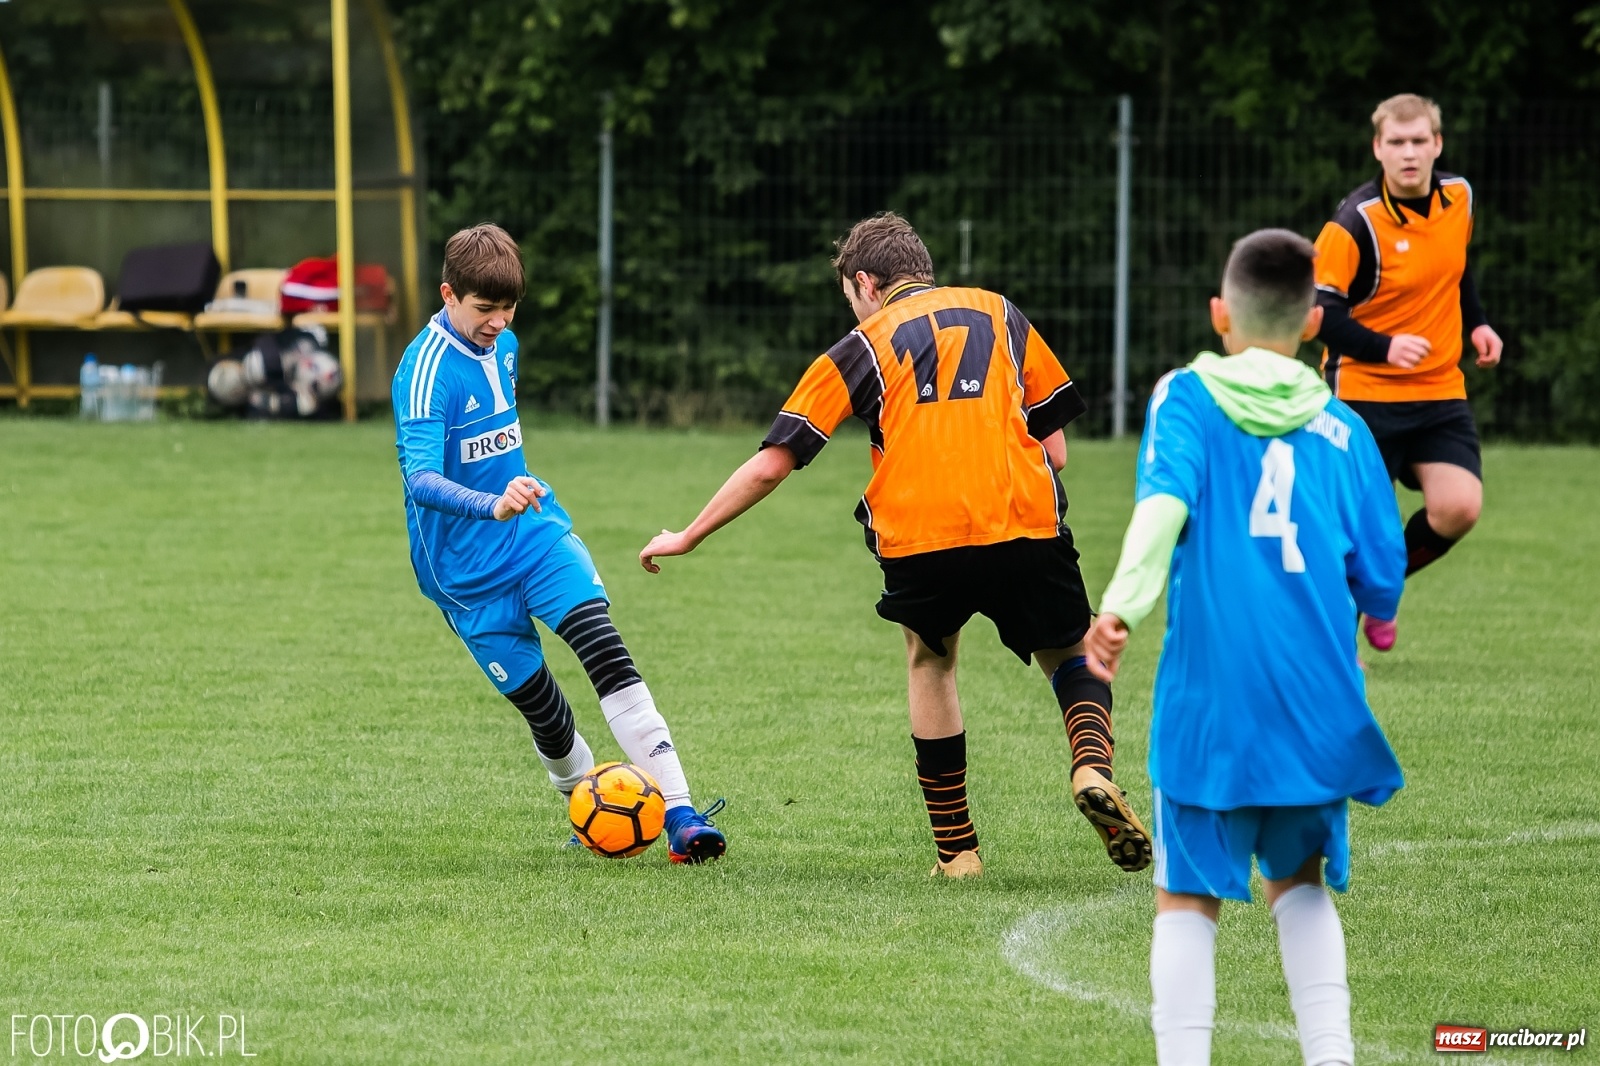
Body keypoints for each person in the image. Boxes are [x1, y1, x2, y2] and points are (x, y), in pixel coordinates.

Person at [639, 211, 1150, 879]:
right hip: (1021, 517)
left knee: (931, 662)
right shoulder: (1000, 312)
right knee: (1071, 649)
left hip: (920, 534)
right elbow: (1054, 450)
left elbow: (773, 463)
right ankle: (1091, 767)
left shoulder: (863, 343)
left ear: (865, 283)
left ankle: (958, 853)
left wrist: (688, 535)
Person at [1084, 229, 1406, 1066]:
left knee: (1187, 897)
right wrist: (1377, 619)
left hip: (1212, 700)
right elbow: (1383, 564)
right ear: (1313, 325)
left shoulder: (1186, 397)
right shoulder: (1346, 428)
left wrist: (1120, 609)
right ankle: (1331, 1055)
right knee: (1299, 884)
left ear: (1219, 314)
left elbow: (1162, 507)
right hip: (1316, 698)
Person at [391, 223, 726, 863]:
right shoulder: (425, 372)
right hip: (464, 577)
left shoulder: (506, 346)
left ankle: (682, 815)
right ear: (448, 294)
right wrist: (490, 502)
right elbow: (421, 479)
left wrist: (511, 497)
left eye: (508, 308)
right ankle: (586, 805)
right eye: (484, 309)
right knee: (545, 711)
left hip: (535, 536)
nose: (497, 323)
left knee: (606, 651)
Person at [1313, 92, 1502, 652]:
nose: (1409, 153)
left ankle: (1381, 588)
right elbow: (1318, 314)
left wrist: (1478, 324)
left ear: (1437, 144)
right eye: (1397, 142)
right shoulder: (1354, 223)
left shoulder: (1459, 196)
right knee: (1347, 532)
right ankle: (1337, 657)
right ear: (1378, 148)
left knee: (1459, 507)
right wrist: (1384, 347)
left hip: (1439, 390)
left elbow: (1456, 270)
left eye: (1419, 140)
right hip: (1362, 395)